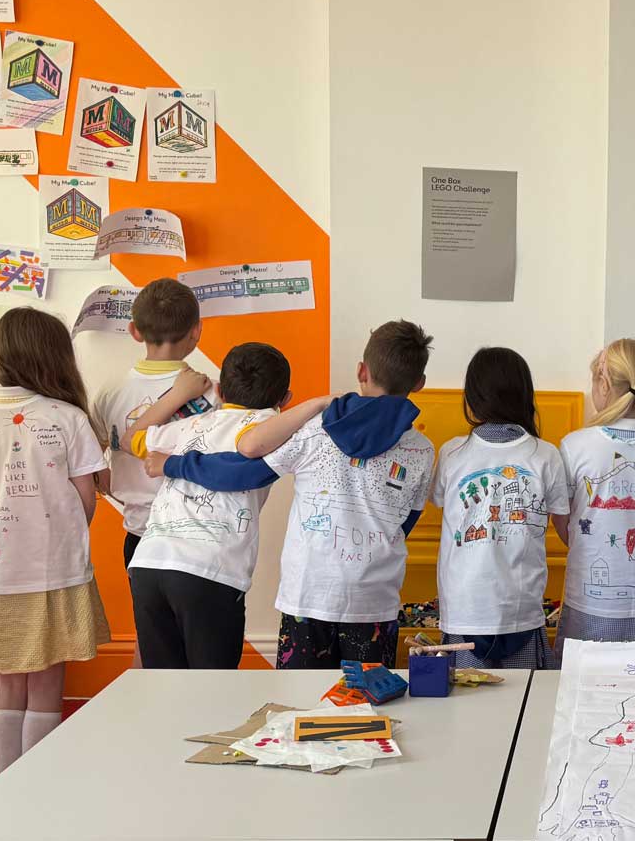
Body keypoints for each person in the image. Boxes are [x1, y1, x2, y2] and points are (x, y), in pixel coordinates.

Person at [160, 321, 437, 671]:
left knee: (299, 699)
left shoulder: (317, 429)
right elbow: (405, 522)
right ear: (419, 383)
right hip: (374, 602)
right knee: (367, 700)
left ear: (361, 371)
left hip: (308, 595)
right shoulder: (422, 450)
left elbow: (247, 471)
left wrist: (175, 464)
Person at [0, 308, 111, 771]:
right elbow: (86, 499)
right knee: (46, 682)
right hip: (54, 569)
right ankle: (37, 780)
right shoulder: (69, 418)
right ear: (54, 357)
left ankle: (6, 780)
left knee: (9, 682)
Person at [126, 344, 320, 669]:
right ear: (285, 400)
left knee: (162, 684)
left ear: (219, 390)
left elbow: (132, 438)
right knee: (214, 687)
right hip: (209, 572)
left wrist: (176, 396)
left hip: (149, 565)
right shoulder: (270, 428)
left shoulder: (191, 425)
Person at [431, 347, 570, 669]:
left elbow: (439, 502)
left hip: (464, 608)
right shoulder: (545, 454)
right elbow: (564, 523)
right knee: (525, 696)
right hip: (521, 609)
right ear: (525, 394)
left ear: (472, 396)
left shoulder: (452, 453)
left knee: (465, 697)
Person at [557, 339, 635, 656]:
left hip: (589, 601)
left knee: (583, 680)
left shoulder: (574, 446)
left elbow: (564, 524)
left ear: (602, 383)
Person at [92, 278, 211, 571]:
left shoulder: (109, 392)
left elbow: (91, 459)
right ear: (197, 331)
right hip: (197, 535)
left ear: (134, 331)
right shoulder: (212, 393)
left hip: (138, 534)